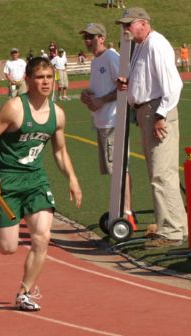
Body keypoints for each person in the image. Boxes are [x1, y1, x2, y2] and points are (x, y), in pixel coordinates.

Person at [0, 57, 82, 311]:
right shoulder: (14, 108)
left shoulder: (57, 114)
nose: (46, 82)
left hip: (36, 181)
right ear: (28, 79)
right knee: (8, 248)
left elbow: (60, 151)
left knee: (42, 237)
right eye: (40, 77)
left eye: (49, 77)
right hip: (8, 180)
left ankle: (25, 292)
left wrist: (72, 178)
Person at [115, 7, 187, 248]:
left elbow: (173, 84)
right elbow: (148, 78)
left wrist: (160, 115)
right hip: (148, 110)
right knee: (160, 172)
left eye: (129, 24)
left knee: (161, 173)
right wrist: (130, 84)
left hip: (156, 111)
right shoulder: (143, 44)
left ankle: (171, 231)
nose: (125, 28)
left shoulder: (155, 44)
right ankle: (177, 226)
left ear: (144, 23)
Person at [79, 22, 134, 223]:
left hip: (113, 120)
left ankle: (126, 213)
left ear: (101, 37)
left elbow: (123, 85)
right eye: (85, 37)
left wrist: (101, 100)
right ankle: (122, 209)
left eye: (91, 36)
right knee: (115, 170)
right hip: (102, 121)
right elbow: (100, 89)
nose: (87, 40)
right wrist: (87, 96)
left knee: (120, 168)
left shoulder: (111, 57)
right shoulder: (96, 61)